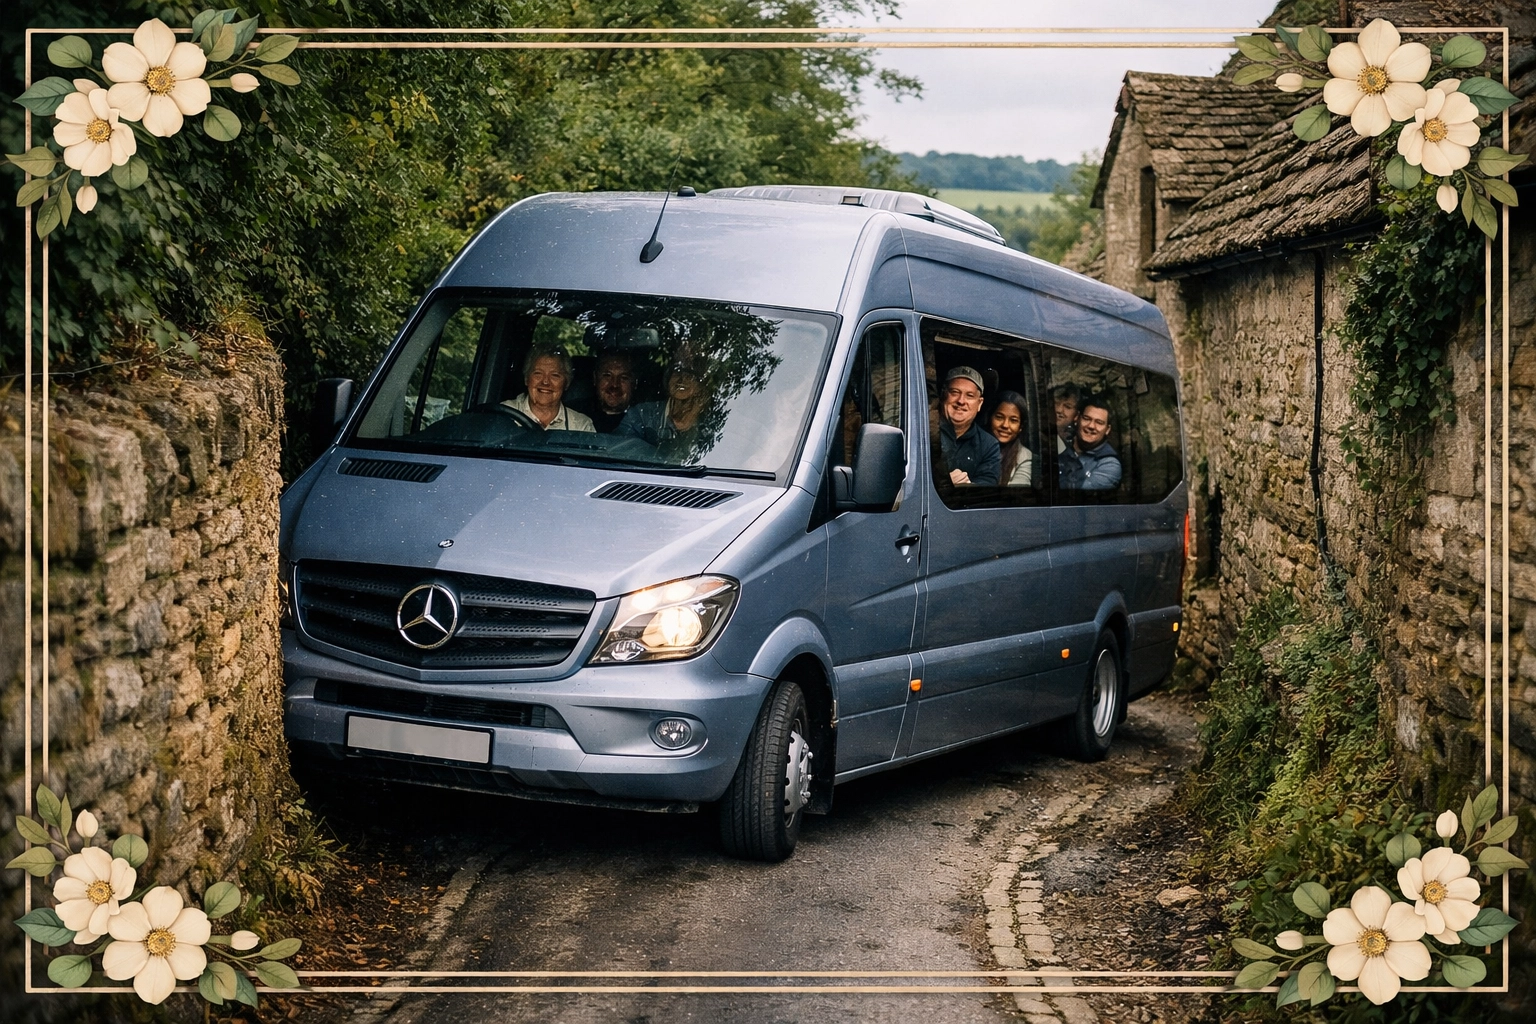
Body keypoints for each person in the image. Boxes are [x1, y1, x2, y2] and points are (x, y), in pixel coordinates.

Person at [615, 359, 711, 453]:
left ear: (700, 385)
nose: (682, 379)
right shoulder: (641, 414)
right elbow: (619, 449)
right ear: (668, 379)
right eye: (677, 372)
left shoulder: (710, 420)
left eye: (690, 375)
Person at [502, 344, 595, 432]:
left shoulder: (581, 426)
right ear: (526, 379)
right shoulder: (504, 414)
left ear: (566, 383)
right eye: (538, 373)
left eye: (555, 375)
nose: (545, 382)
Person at [938, 365, 1000, 486]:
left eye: (970, 395)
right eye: (955, 392)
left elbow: (988, 487)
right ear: (943, 395)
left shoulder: (989, 445)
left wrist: (967, 487)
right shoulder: (924, 432)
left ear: (979, 403)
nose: (961, 401)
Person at [1058, 394, 1122, 490]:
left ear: (1107, 429)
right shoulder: (1061, 445)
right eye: (1086, 419)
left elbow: (1076, 496)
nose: (1091, 426)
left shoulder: (1110, 464)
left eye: (1099, 423)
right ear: (1077, 418)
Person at [988, 390, 1034, 487]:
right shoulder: (976, 445)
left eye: (1013, 420)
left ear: (1020, 427)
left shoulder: (1025, 457)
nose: (1005, 425)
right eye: (999, 417)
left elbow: (1016, 493)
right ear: (990, 418)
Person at [589, 350, 637, 432]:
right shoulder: (577, 417)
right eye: (607, 376)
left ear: (634, 383)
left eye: (623, 377)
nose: (615, 385)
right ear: (595, 379)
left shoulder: (642, 421)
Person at [1052, 383, 1084, 454]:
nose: (1059, 410)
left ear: (1076, 415)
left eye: (1067, 407)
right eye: (1056, 403)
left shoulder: (1077, 444)